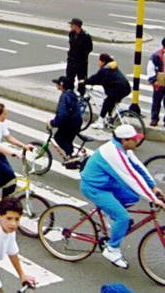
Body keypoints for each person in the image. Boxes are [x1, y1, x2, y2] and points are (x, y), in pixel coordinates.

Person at [80, 124, 164, 268]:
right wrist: (153, 198)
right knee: (123, 218)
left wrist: (153, 186)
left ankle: (110, 213)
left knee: (132, 197)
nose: (137, 142)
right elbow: (132, 177)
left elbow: (138, 167)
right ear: (124, 140)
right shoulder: (113, 152)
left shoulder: (124, 149)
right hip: (94, 187)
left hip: (108, 184)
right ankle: (112, 249)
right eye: (134, 139)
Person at [82, 53, 131, 129]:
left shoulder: (105, 70)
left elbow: (95, 78)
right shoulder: (112, 67)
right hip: (125, 88)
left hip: (118, 89)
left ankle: (100, 123)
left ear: (103, 62)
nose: (98, 62)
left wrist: (84, 82)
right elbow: (103, 80)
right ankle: (110, 118)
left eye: (99, 61)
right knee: (111, 101)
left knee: (107, 102)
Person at [49, 76, 83, 162]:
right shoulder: (71, 94)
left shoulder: (64, 96)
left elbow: (62, 114)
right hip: (76, 122)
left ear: (62, 85)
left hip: (70, 124)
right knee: (67, 140)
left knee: (58, 137)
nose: (56, 85)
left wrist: (52, 123)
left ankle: (71, 156)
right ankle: (71, 157)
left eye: (58, 84)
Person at [66, 18, 93, 96]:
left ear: (76, 26)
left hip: (81, 62)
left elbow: (89, 48)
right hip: (71, 60)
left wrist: (82, 55)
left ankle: (81, 95)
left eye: (72, 25)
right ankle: (69, 94)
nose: (70, 26)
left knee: (81, 80)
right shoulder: (71, 33)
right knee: (69, 79)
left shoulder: (85, 36)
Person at [146, 37, 165, 126]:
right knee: (156, 102)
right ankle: (154, 119)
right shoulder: (156, 56)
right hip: (159, 83)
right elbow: (150, 69)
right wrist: (153, 80)